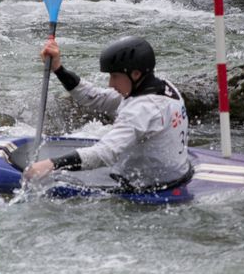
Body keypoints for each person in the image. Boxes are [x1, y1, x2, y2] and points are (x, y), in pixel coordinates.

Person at [24, 36, 192, 191]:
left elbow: (104, 154)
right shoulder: (161, 87)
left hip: (151, 187)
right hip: (176, 173)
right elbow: (96, 98)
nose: (111, 83)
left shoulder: (141, 111)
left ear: (135, 74)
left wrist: (51, 165)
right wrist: (58, 69)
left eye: (115, 76)